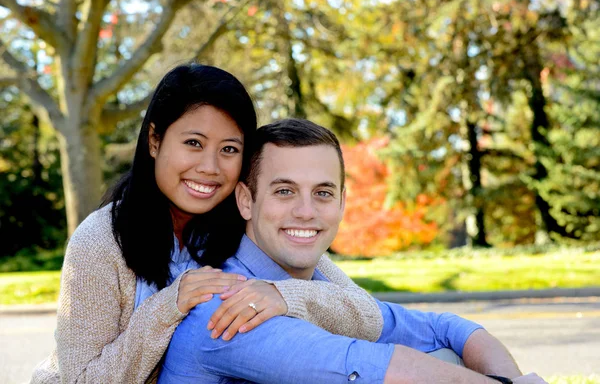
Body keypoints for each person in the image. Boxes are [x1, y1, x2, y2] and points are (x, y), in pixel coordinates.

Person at [30, 65, 388, 384]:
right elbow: (80, 381)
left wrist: (285, 295)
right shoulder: (101, 241)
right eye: (193, 143)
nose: (210, 167)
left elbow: (364, 311)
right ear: (155, 140)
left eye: (229, 149)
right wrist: (171, 305)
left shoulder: (249, 222)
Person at [159, 119, 548, 384]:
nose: (306, 211)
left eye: (323, 193)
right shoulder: (224, 305)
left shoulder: (327, 293)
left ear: (342, 203)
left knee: (445, 354)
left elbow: (448, 327)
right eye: (284, 191)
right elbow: (368, 368)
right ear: (246, 200)